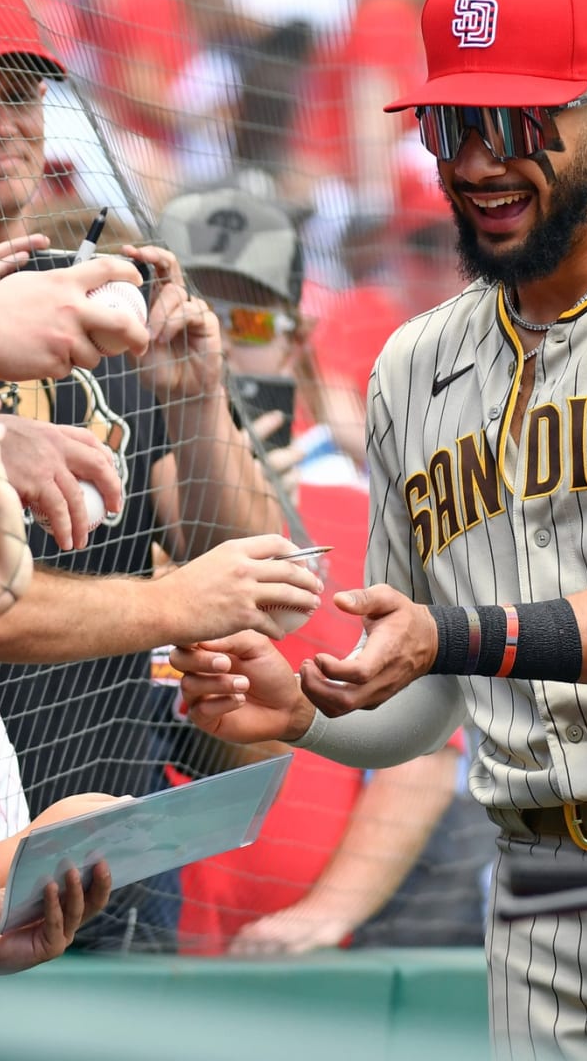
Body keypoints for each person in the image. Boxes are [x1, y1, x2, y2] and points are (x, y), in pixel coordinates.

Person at [176, 0, 587, 1055]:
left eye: (516, 123)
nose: (479, 162)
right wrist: (309, 710)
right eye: (452, 127)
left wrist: (455, 635)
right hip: (539, 896)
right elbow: (429, 692)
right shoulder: (416, 365)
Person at [0, 0, 291, 948]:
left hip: (107, 835)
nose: (1, 125)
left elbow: (252, 568)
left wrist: (197, 410)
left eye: (19, 97)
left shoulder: (102, 297)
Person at [154, 186, 470, 956]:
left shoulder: (355, 510)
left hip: (295, 966)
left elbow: (424, 756)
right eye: (195, 309)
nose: (218, 341)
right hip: (115, 939)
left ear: (293, 345)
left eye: (249, 321)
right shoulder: (85, 489)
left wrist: (328, 912)